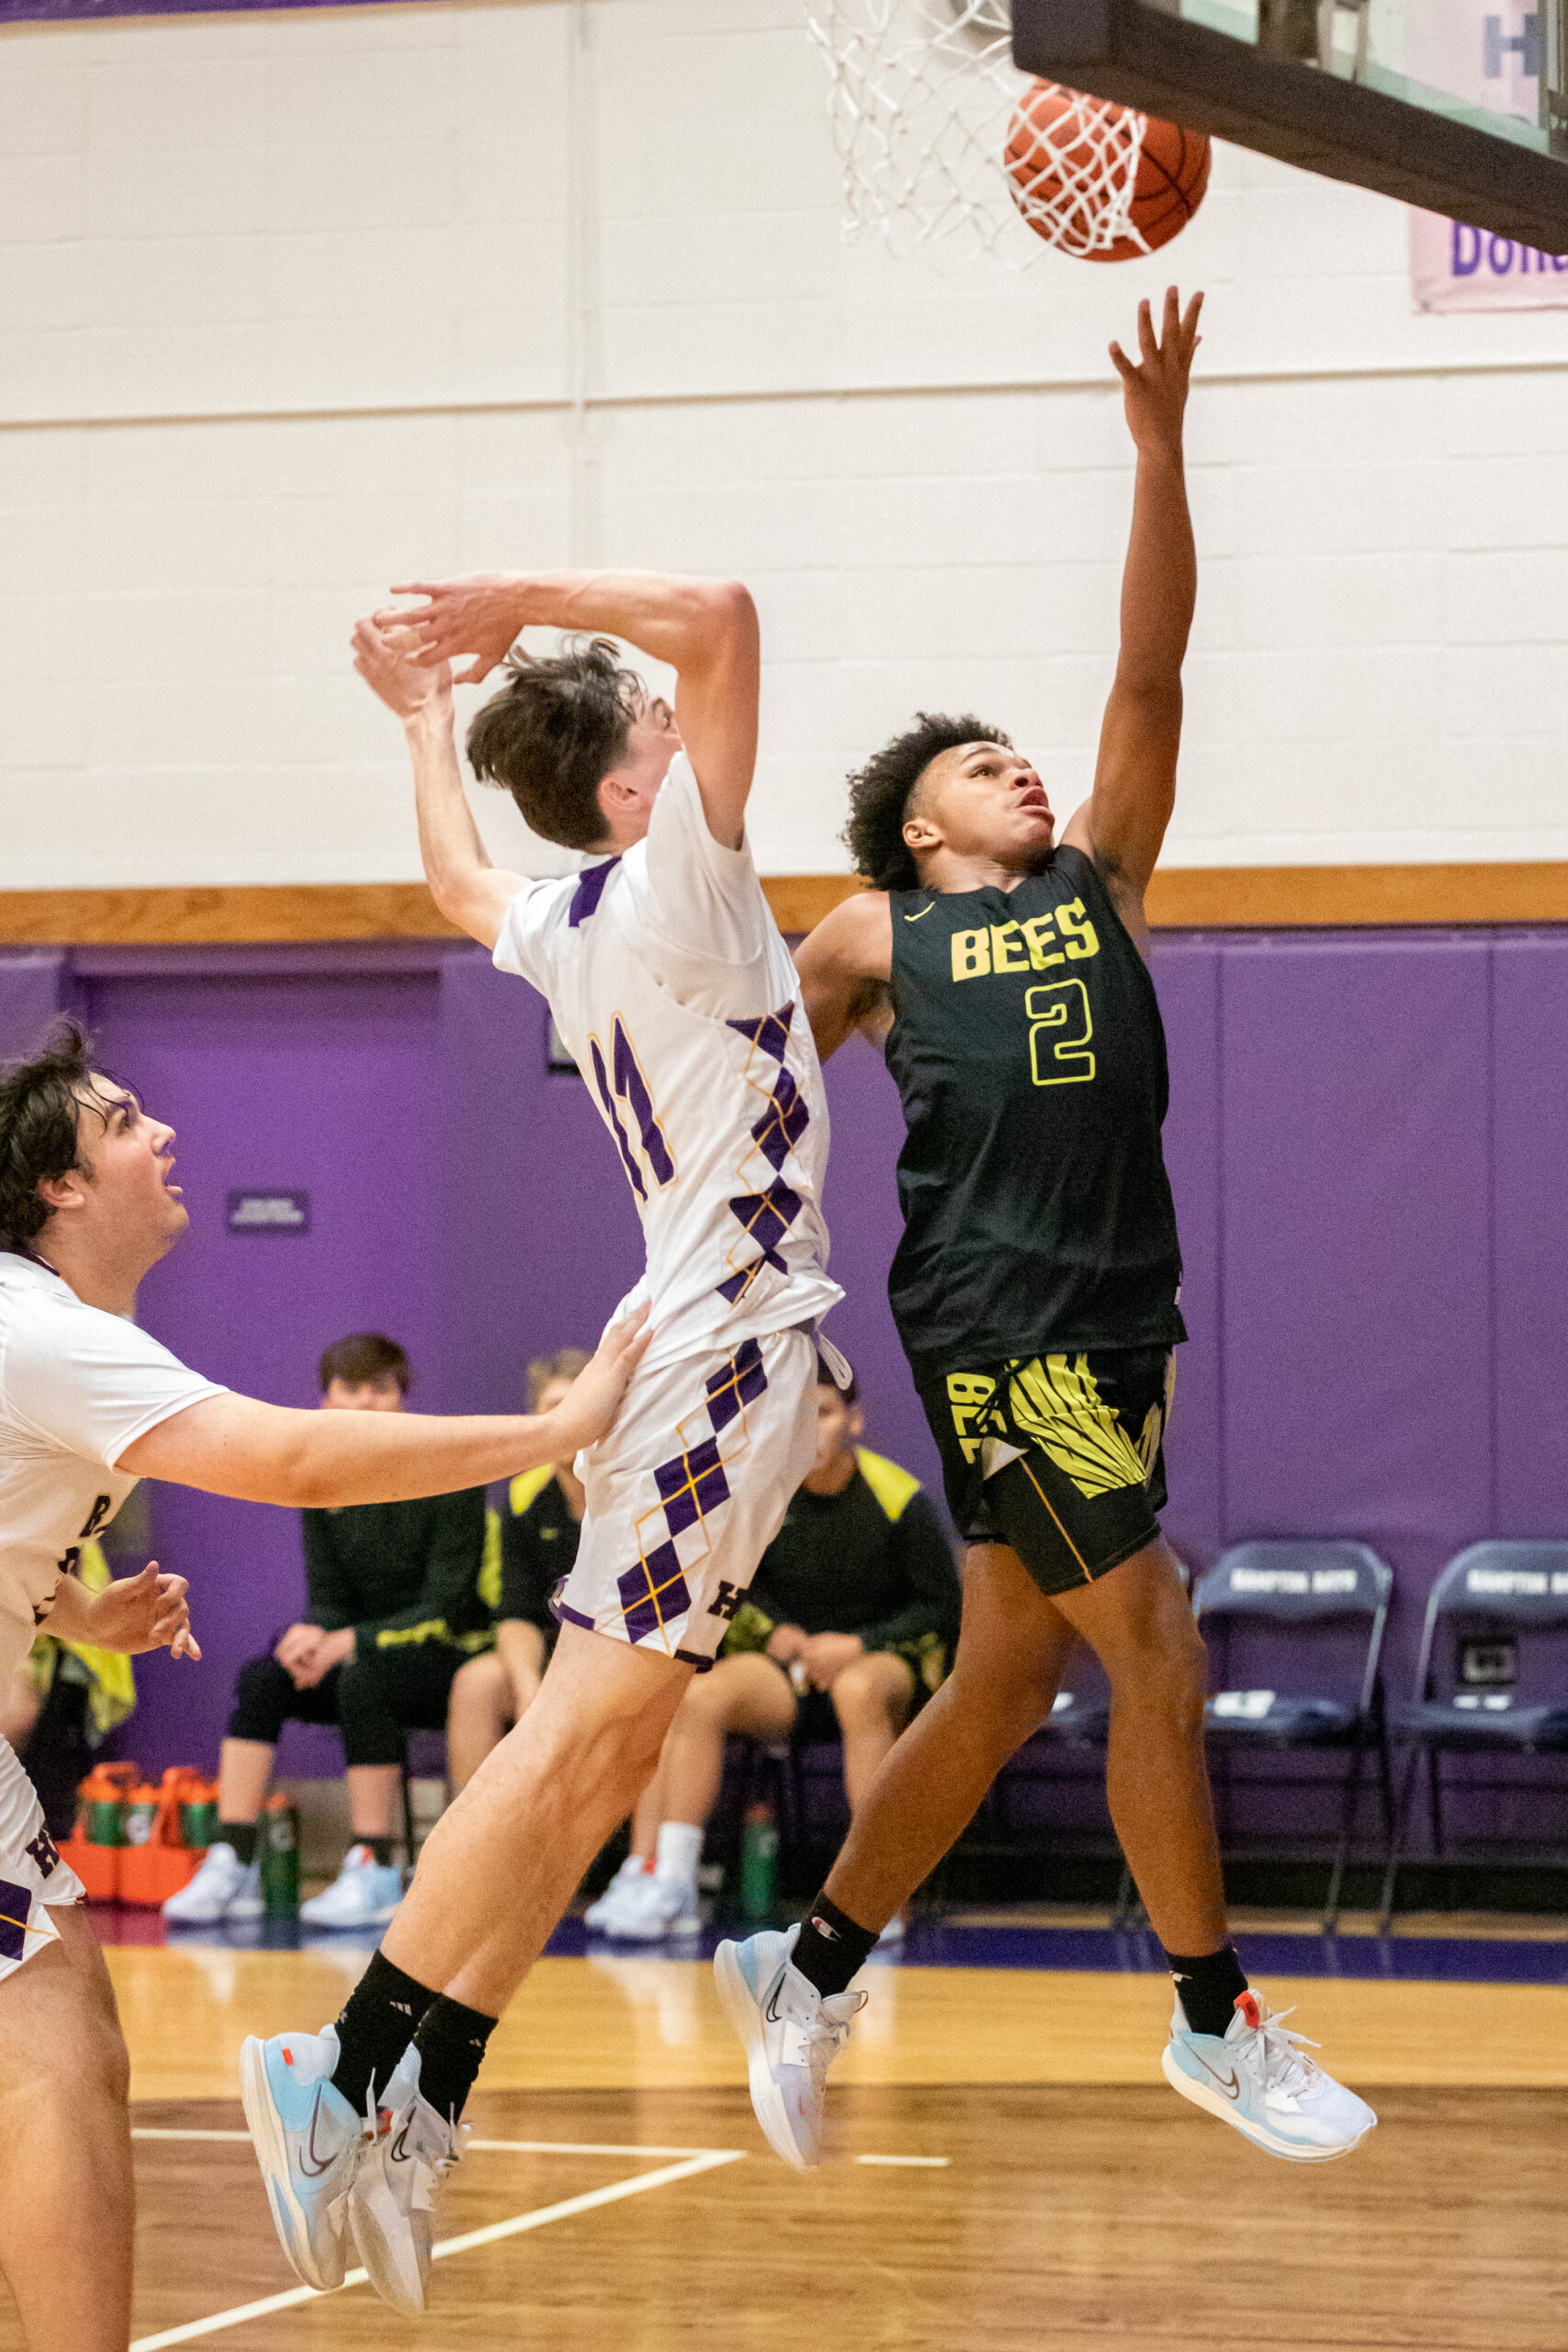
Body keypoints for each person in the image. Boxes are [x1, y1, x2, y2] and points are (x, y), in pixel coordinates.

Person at [715, 288, 1377, 2173]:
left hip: (1113, 1321)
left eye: (1021, 752)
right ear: (914, 835)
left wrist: (1157, 451)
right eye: (975, 762)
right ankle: (1209, 2018)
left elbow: (1150, 675)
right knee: (1151, 1630)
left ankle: (814, 1956)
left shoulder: (1099, 876)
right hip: (996, 1317)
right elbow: (731, 1042)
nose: (1017, 766)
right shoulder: (871, 936)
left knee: (1008, 1668)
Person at [243, 563, 841, 2317]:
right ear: (630, 785)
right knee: (575, 1739)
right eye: (659, 722)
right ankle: (342, 2065)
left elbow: (449, 875)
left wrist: (425, 714)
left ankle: (427, 2096)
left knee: (598, 1755)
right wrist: (507, 597)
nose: (687, 715)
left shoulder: (568, 914)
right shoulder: (678, 876)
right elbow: (723, 610)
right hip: (719, 1350)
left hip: (716, 1354)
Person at [0, 1019, 645, 2352]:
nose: (162, 1133)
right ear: (59, 1187)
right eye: (124, 1124)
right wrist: (560, 1429)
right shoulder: (49, 1336)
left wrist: (80, 1610)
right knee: (54, 2070)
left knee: (63, 2048)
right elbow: (298, 1461)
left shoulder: (49, 1334)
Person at [591, 1355, 960, 1940]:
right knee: (700, 1697)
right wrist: (775, 1634)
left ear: (853, 1421)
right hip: (789, 1671)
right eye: (796, 1417)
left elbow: (942, 1609)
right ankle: (675, 1883)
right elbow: (734, 1589)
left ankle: (872, 1896)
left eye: (825, 1413)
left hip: (875, 1663)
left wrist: (859, 1644)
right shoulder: (763, 1497)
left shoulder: (900, 1499)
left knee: (859, 1691)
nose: (812, 1429)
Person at [164, 1333, 491, 1933]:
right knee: (265, 1675)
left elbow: (445, 1605)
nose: (366, 1403)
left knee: (363, 1678)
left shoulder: (451, 1472)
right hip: (360, 1648)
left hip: (444, 1654)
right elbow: (330, 1597)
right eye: (351, 1388)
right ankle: (233, 1859)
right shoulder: (318, 1480)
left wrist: (349, 1643)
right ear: (325, 1401)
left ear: (403, 1399)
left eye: (381, 1389)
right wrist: (310, 1632)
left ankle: (375, 1866)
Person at [443, 1347, 590, 1786]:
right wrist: (528, 1687)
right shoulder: (523, 1499)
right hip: (548, 1653)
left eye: (580, 1404)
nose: (569, 1420)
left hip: (621, 1655)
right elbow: (517, 1611)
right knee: (478, 1684)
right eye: (554, 1409)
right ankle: (470, 1850)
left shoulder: (641, 1492)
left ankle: (642, 1856)